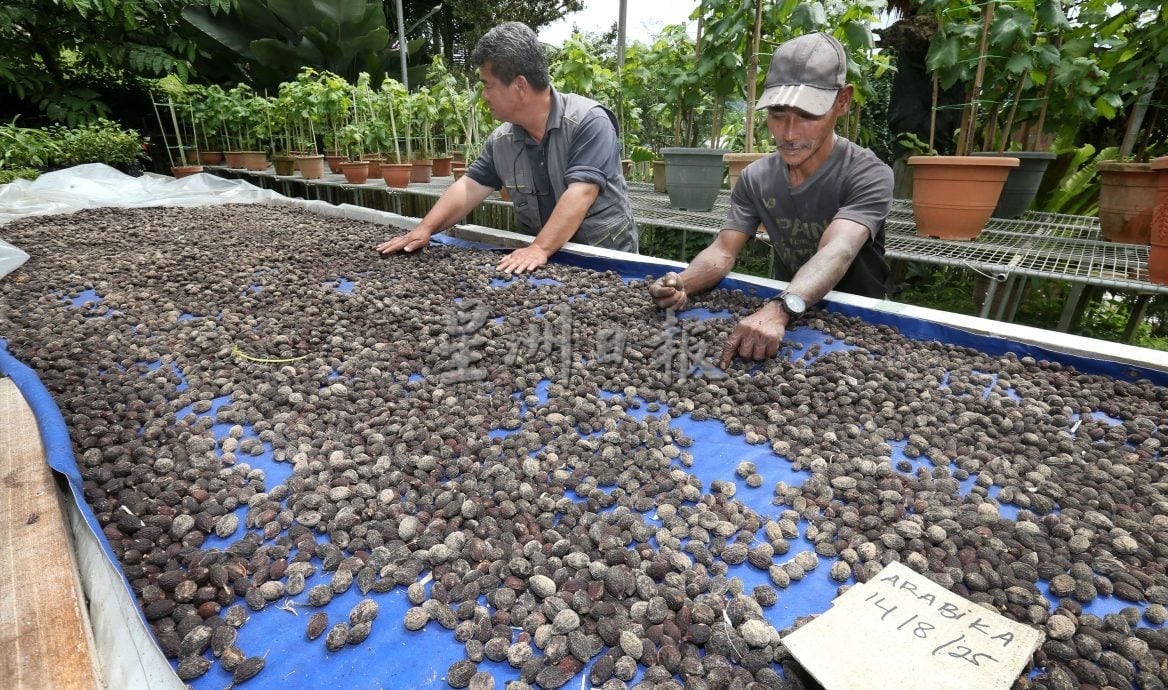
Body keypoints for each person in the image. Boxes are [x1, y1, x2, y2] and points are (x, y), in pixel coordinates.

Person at [648, 31, 893, 369]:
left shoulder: (867, 173)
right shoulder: (756, 177)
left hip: (857, 321)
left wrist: (781, 308)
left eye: (807, 116)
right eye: (777, 115)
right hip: (786, 308)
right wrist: (683, 283)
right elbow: (724, 250)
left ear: (842, 101)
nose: (789, 134)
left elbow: (839, 249)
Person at [376, 21, 638, 273]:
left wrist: (539, 248)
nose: (484, 96)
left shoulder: (589, 121)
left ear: (520, 86)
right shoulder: (501, 141)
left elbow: (581, 193)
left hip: (607, 262)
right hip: (543, 263)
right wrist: (425, 229)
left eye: (488, 85)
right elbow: (470, 187)